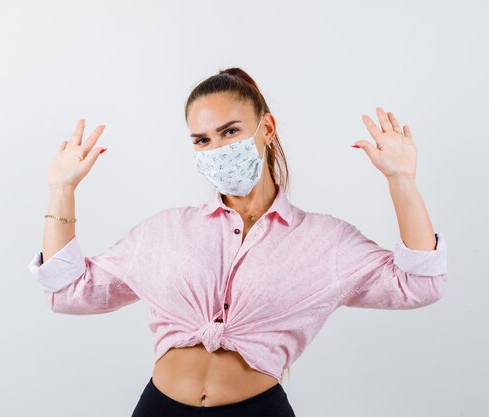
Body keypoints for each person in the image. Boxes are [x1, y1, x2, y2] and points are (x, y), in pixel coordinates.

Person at [28, 67, 448, 417]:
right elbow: (68, 292)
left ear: (266, 128)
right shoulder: (163, 232)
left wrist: (402, 182)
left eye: (230, 131)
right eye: (202, 140)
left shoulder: (324, 241)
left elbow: (418, 284)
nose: (217, 149)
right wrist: (61, 189)